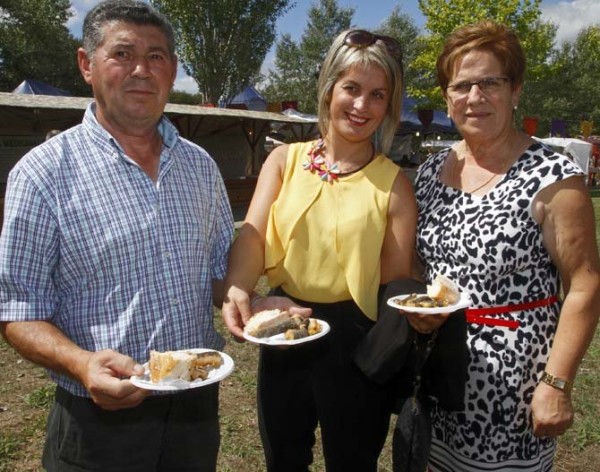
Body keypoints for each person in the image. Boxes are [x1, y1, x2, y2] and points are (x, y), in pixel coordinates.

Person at [0, 1, 233, 471]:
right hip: (98, 419)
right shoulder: (43, 174)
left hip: (194, 407)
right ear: (87, 64)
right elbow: (16, 310)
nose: (142, 70)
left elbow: (220, 272)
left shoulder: (201, 167)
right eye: (122, 54)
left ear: (172, 71)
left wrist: (253, 304)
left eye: (157, 56)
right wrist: (82, 364)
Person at [406, 20, 600, 471]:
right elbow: (422, 265)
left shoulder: (554, 176)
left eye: (490, 82)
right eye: (462, 85)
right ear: (447, 97)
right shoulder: (432, 172)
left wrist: (556, 384)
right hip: (437, 378)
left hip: (513, 396)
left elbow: (585, 285)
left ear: (515, 90)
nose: (475, 97)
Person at [221, 29, 416, 471]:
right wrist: (238, 287)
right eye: (351, 88)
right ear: (329, 89)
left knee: (352, 461)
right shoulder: (283, 160)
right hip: (287, 326)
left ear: (389, 106)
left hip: (358, 339)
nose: (362, 105)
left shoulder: (395, 185)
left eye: (377, 95)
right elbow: (253, 233)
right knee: (283, 459)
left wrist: (381, 360)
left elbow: (395, 285)